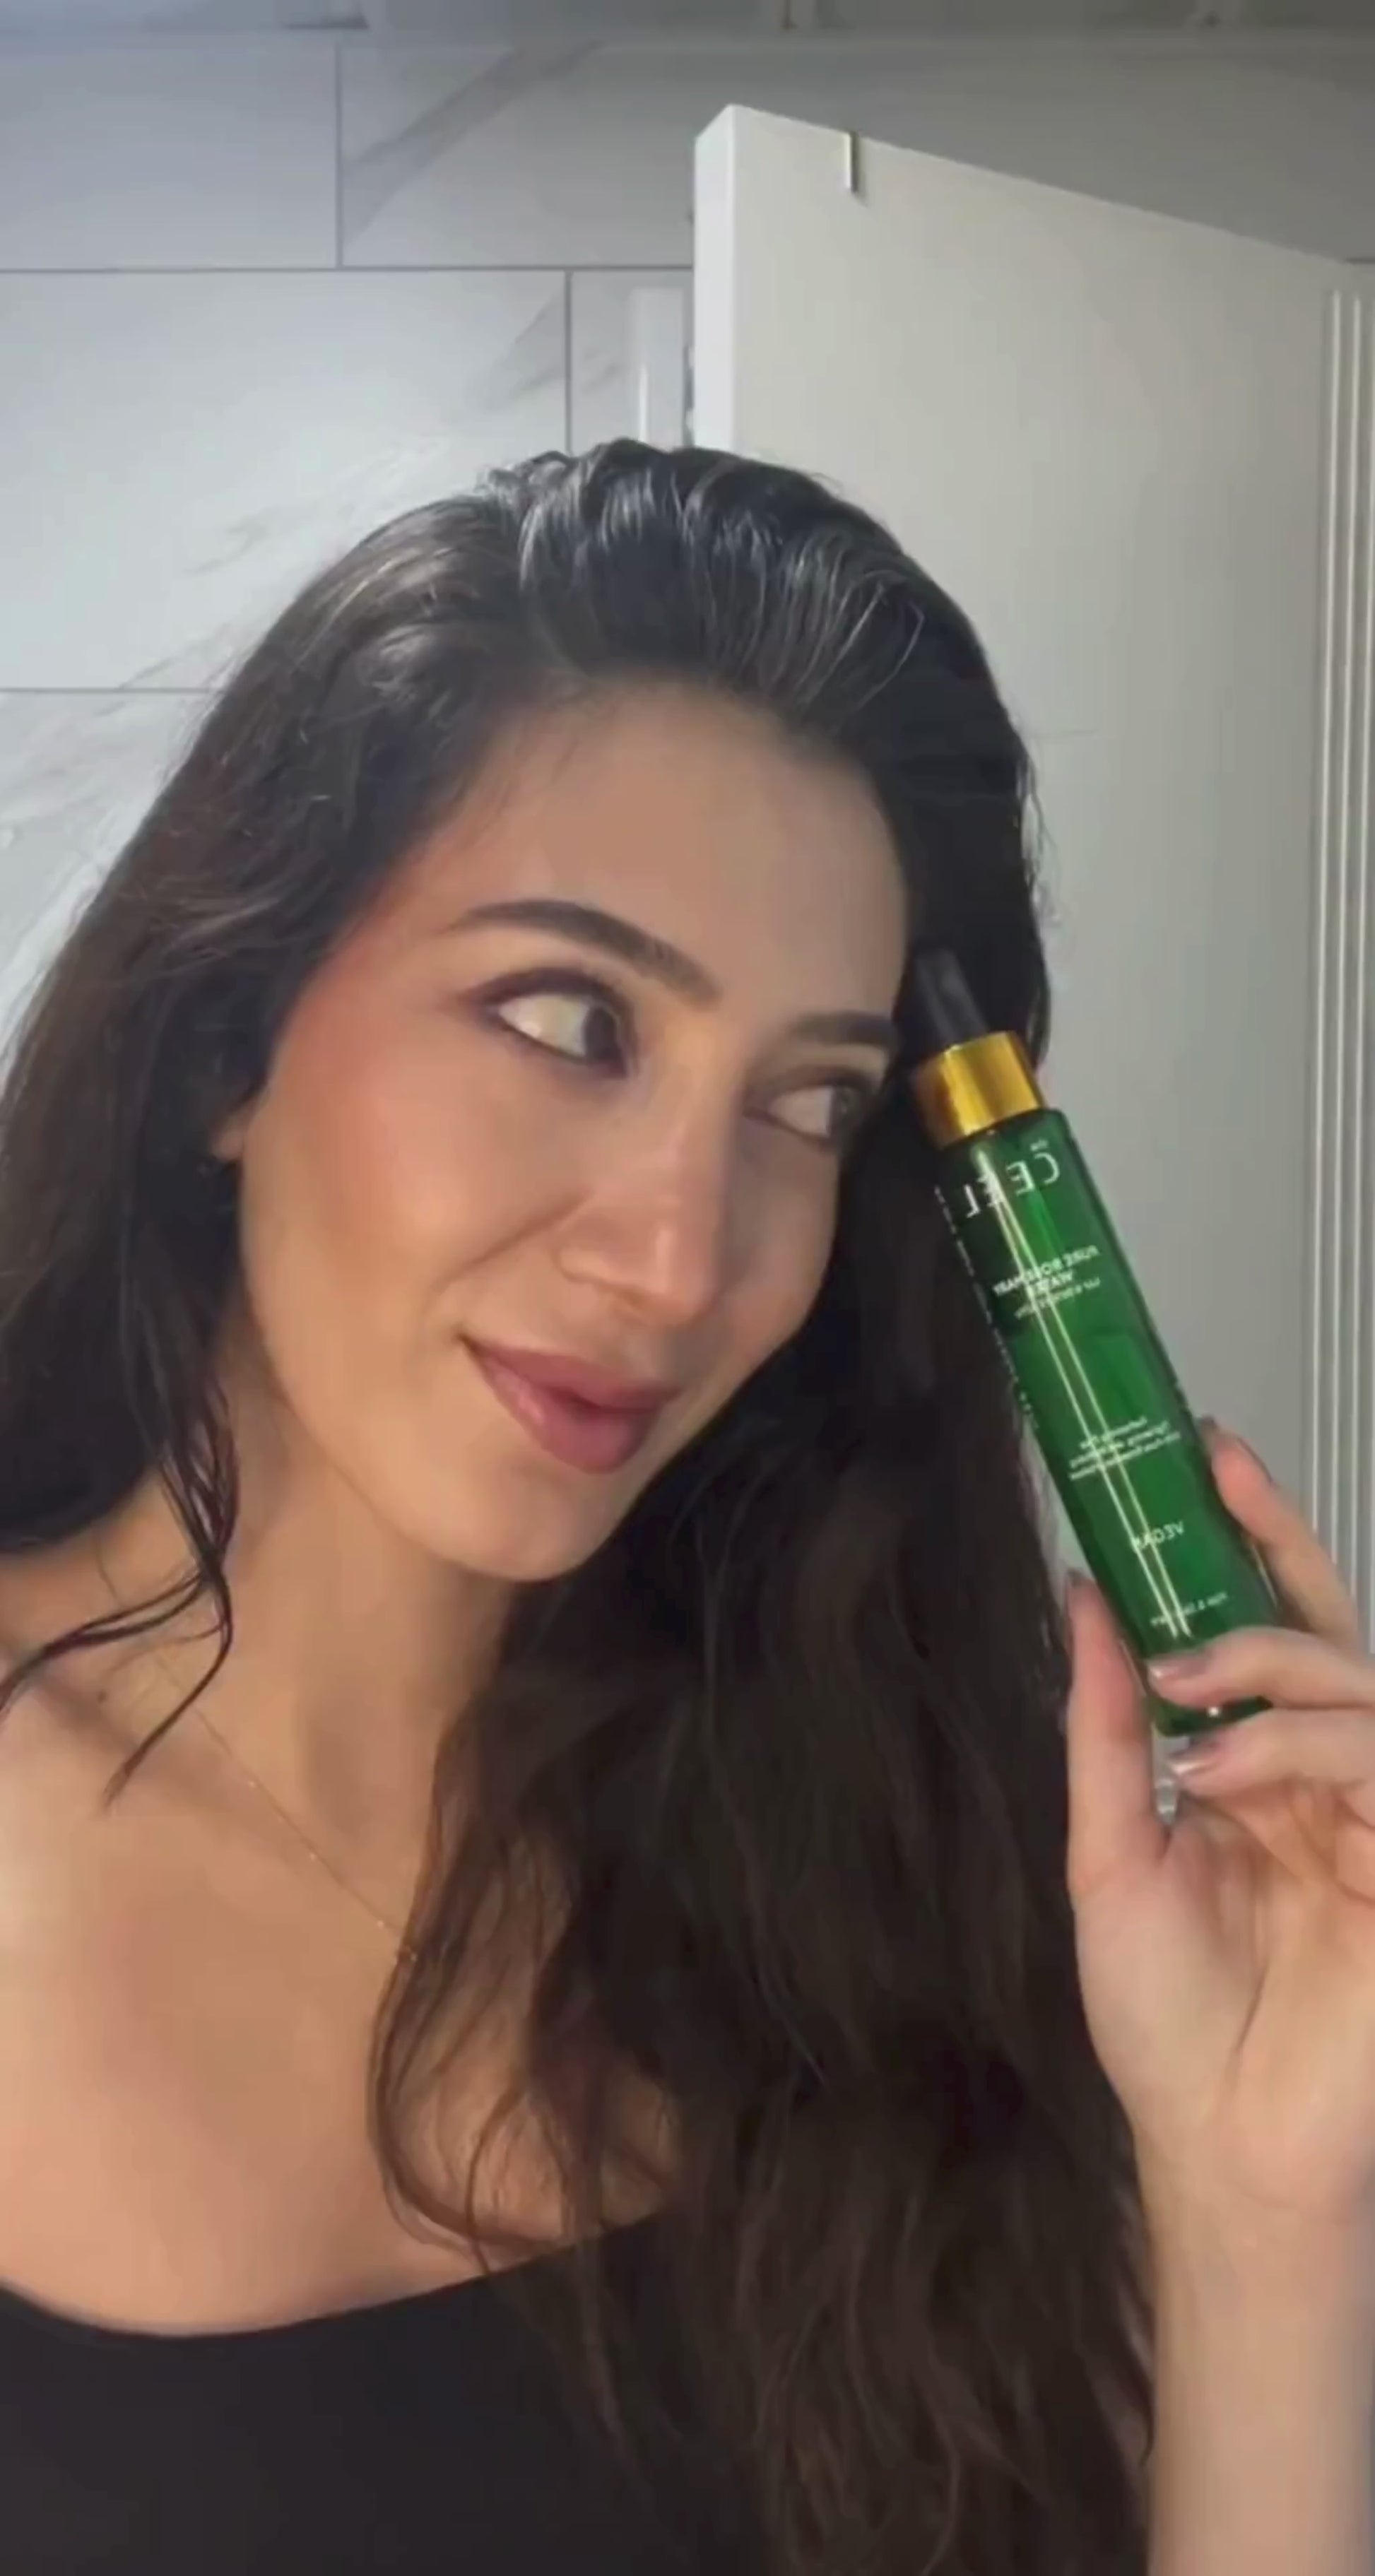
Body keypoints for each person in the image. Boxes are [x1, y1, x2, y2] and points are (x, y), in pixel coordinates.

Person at [0, 442, 1370, 2576]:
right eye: (571, 1021)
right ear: (223, 1045)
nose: (678, 1258)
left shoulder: (907, 1846)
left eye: (808, 1105)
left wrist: (1264, 2195)